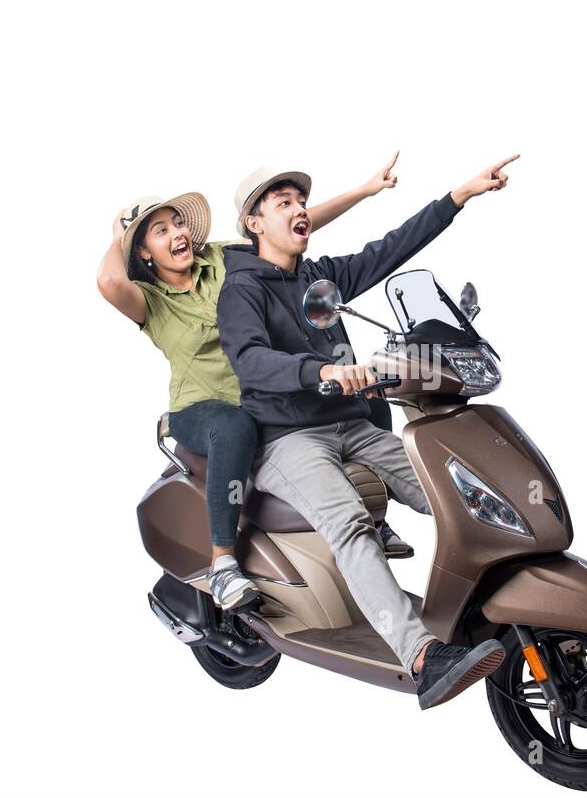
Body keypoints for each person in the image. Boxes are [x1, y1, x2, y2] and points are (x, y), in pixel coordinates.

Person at [217, 156, 520, 709]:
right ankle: (423, 657)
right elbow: (250, 362)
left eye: (299, 200)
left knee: (466, 489)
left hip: (350, 425)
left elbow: (390, 250)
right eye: (282, 202)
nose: (298, 208)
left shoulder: (319, 279)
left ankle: (546, 581)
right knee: (350, 523)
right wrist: (322, 371)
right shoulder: (241, 290)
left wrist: (459, 196)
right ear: (254, 223)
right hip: (287, 438)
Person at [96, 157, 401, 610]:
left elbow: (286, 226)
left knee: (366, 397)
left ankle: (378, 516)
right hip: (205, 406)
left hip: (266, 393)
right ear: (143, 252)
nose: (177, 234)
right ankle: (223, 564)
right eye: (159, 231)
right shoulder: (149, 301)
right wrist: (126, 229)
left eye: (177, 223)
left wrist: (364, 191)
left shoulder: (223, 258)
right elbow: (107, 280)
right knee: (234, 426)